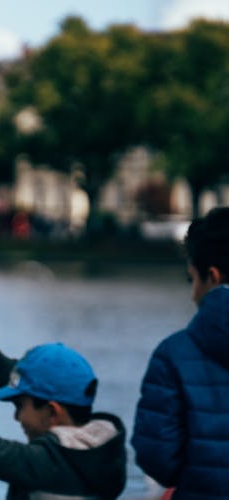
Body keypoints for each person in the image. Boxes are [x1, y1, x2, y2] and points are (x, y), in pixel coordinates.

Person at [0, 323, 127, 499]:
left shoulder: (49, 464)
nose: (16, 417)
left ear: (52, 412)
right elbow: (46, 388)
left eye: (20, 406)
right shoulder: (105, 452)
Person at [132, 206, 229, 498]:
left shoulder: (174, 355)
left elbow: (158, 461)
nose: (192, 293)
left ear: (211, 277)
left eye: (192, 279)